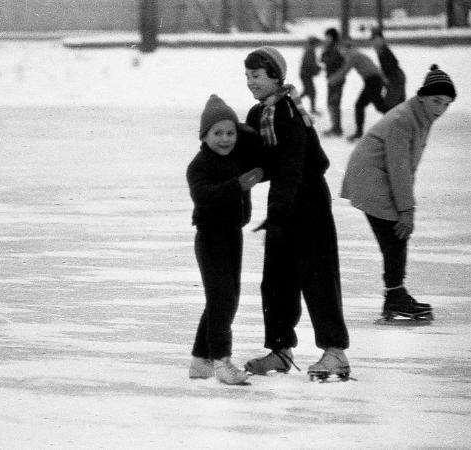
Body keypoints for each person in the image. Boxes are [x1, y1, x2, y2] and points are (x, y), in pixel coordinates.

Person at [242, 47, 351, 381]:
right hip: (284, 201)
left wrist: (277, 210)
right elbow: (254, 156)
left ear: (276, 77)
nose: (250, 83)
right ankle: (280, 350)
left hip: (308, 201)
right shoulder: (258, 114)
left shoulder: (289, 113)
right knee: (275, 279)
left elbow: (291, 166)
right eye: (247, 76)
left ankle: (335, 352)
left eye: (257, 76)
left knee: (317, 277)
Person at [341, 65, 455, 322]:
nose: (440, 109)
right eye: (436, 101)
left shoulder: (420, 117)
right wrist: (406, 209)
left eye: (446, 104)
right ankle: (395, 296)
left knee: (395, 237)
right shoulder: (405, 119)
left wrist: (405, 207)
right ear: (423, 96)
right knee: (396, 234)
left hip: (375, 177)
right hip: (370, 178)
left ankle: (395, 295)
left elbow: (404, 167)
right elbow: (399, 166)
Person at [186, 94, 263, 385]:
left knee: (226, 300)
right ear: (204, 136)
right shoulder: (199, 166)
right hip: (210, 237)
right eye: (217, 133)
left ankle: (199, 360)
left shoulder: (235, 158)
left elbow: (253, 145)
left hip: (232, 234)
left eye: (230, 132)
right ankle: (221, 361)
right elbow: (204, 197)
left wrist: (242, 128)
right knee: (221, 300)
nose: (225, 139)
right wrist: (238, 185)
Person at [328, 40, 389, 142]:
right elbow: (375, 67)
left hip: (372, 81)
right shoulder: (357, 54)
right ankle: (359, 132)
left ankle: (400, 119)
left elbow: (345, 70)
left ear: (346, 49)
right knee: (360, 105)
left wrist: (332, 80)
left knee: (379, 105)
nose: (341, 52)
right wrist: (384, 80)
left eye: (342, 50)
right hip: (372, 80)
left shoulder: (353, 56)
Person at [370, 28, 406, 110]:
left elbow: (391, 66)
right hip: (397, 77)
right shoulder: (381, 50)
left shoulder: (383, 51)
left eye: (375, 39)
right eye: (372, 40)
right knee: (397, 107)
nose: (373, 42)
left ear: (381, 39)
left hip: (396, 78)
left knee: (390, 106)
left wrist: (386, 81)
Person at [320, 28, 345, 137]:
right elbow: (322, 59)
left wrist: (325, 53)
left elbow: (331, 61)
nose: (326, 39)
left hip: (337, 80)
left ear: (333, 38)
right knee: (331, 103)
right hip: (332, 79)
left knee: (334, 103)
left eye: (328, 37)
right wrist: (325, 51)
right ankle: (336, 127)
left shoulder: (336, 49)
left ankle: (337, 128)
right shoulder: (330, 48)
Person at [298, 36, 321, 115]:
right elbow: (310, 63)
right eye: (317, 44)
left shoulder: (310, 50)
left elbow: (311, 63)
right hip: (305, 74)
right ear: (314, 43)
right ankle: (292, 103)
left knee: (308, 91)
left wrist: (316, 68)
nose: (319, 45)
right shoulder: (310, 51)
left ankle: (292, 103)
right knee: (311, 91)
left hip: (306, 74)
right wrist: (317, 69)